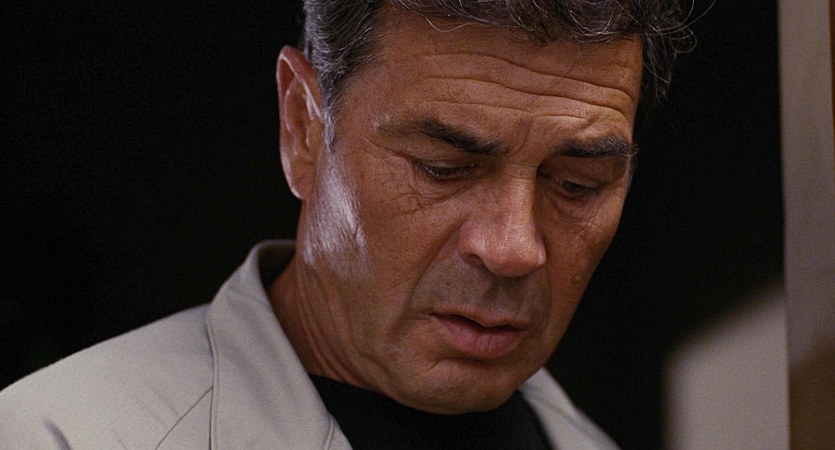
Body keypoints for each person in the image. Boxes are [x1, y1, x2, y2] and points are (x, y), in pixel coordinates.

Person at [0, 1, 690, 448]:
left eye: (576, 185)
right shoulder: (60, 436)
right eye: (443, 168)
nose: (512, 248)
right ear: (303, 127)